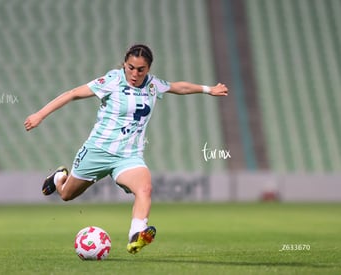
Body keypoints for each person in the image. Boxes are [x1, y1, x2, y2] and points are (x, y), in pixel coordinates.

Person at [24, 44, 228, 254]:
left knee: (145, 189)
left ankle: (136, 234)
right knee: (66, 195)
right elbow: (73, 94)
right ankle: (59, 177)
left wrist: (208, 89)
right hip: (97, 151)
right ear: (124, 64)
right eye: (131, 67)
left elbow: (179, 87)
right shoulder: (112, 80)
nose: (135, 73)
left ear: (148, 69)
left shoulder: (152, 85)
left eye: (141, 69)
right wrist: (40, 115)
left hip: (129, 156)